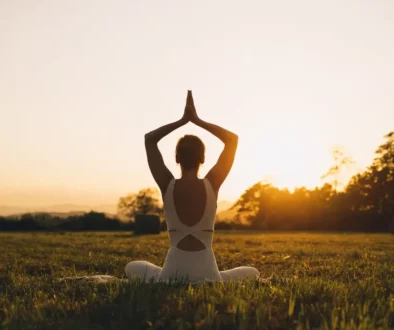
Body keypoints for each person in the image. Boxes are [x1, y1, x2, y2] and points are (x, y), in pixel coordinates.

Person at [125, 91, 259, 283]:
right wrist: (197, 120)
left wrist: (182, 121)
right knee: (252, 272)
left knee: (132, 267)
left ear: (176, 158)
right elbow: (232, 140)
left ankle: (165, 276)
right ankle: (215, 278)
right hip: (207, 273)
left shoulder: (167, 184)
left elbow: (150, 139)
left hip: (171, 274)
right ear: (203, 159)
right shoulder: (212, 183)